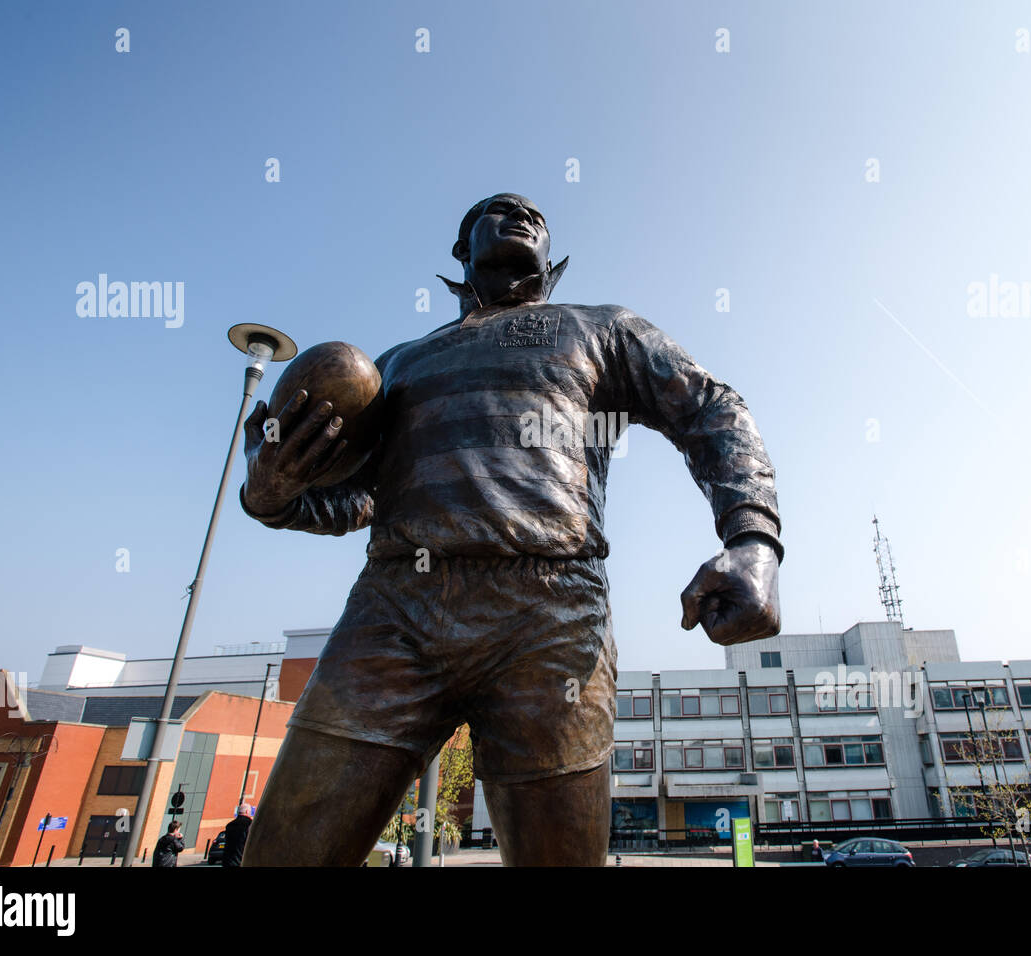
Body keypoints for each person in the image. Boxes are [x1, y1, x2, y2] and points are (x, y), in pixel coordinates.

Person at [240, 193, 783, 866]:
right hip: (396, 614)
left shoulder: (598, 328)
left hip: (550, 621)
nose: (521, 212)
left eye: (533, 214)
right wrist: (269, 489)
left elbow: (711, 409)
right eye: (497, 210)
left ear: (551, 259)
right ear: (460, 254)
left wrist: (753, 540)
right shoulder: (401, 364)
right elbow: (351, 504)